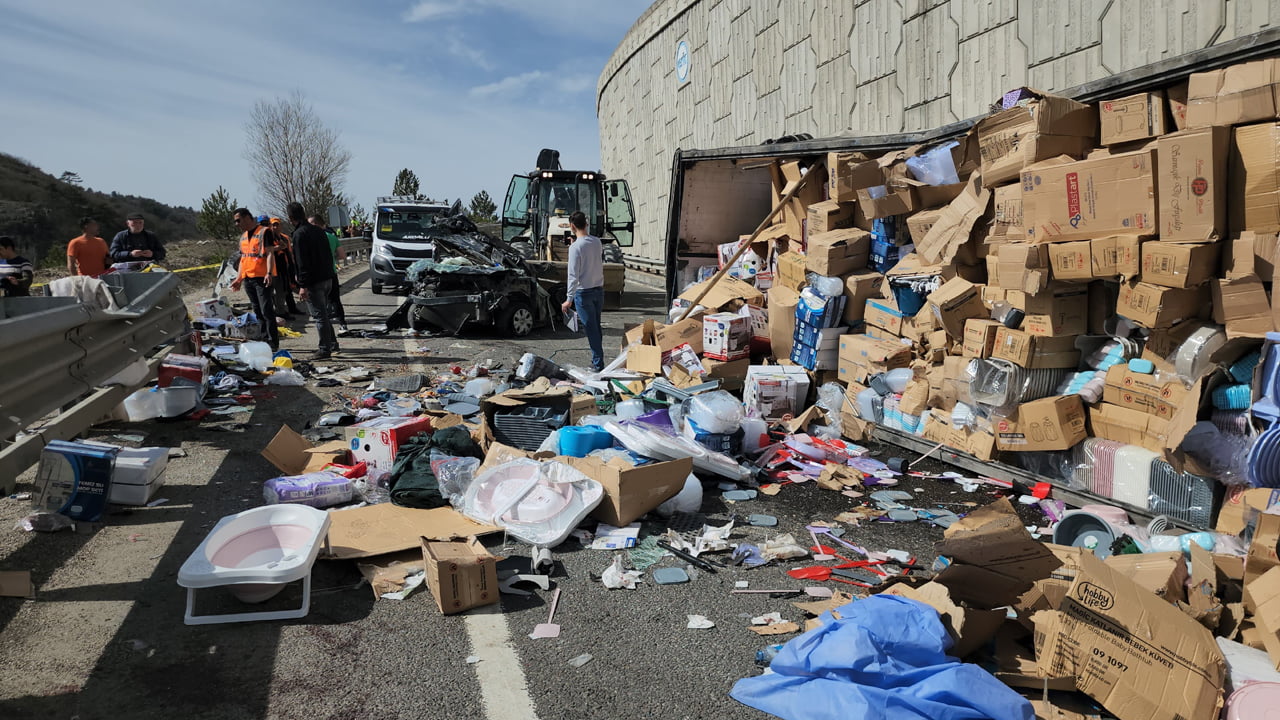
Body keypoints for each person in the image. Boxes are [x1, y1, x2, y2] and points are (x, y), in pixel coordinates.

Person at [289, 202, 340, 358]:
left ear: (291, 218)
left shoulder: (299, 235)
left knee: (319, 316)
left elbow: (302, 262)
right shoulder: (318, 231)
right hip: (327, 278)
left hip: (313, 282)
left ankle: (325, 349)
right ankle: (332, 343)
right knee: (323, 313)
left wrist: (302, 286)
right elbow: (327, 255)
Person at [560, 211, 605, 371]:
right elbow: (591, 255)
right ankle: (597, 360)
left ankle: (598, 364)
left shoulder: (575, 248)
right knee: (596, 327)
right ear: (586, 223)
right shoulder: (597, 242)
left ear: (572, 226)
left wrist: (568, 299)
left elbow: (573, 275)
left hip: (583, 292)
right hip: (598, 291)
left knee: (590, 328)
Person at [230, 208, 279, 351]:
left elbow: (270, 254)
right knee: (257, 310)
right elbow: (243, 260)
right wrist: (239, 279)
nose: (237, 224)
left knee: (266, 310)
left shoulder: (264, 232)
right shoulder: (243, 237)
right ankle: (264, 339)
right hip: (249, 278)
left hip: (262, 277)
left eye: (238, 220)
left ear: (247, 218)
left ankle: (272, 341)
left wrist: (269, 273)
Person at [311, 215, 348, 330]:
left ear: (315, 225)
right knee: (335, 299)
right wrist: (332, 257)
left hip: (316, 275)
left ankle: (326, 329)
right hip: (331, 272)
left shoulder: (310, 239)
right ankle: (343, 324)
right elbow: (342, 255)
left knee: (320, 303)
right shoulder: (331, 237)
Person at [269, 216, 301, 317]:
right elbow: (265, 251)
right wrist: (277, 248)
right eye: (273, 225)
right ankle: (280, 311)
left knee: (287, 288)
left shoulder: (285, 238)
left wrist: (293, 265)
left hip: (286, 266)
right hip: (274, 268)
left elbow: (289, 252)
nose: (275, 227)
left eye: (277, 225)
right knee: (278, 291)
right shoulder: (269, 238)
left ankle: (291, 308)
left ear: (280, 226)